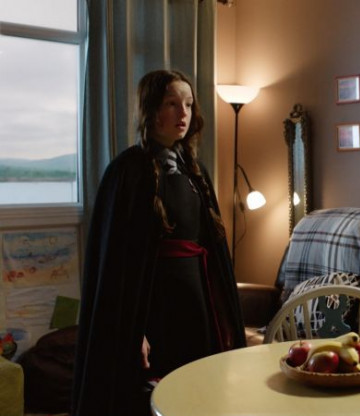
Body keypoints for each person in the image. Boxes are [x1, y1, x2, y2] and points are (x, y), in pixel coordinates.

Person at [72, 69, 246, 416]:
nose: (183, 113)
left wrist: (223, 310)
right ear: (151, 109)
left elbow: (212, 249)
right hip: (154, 307)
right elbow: (117, 266)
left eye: (189, 104)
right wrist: (133, 330)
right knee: (155, 393)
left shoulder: (194, 170)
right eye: (172, 104)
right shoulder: (127, 172)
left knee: (198, 386)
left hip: (197, 302)